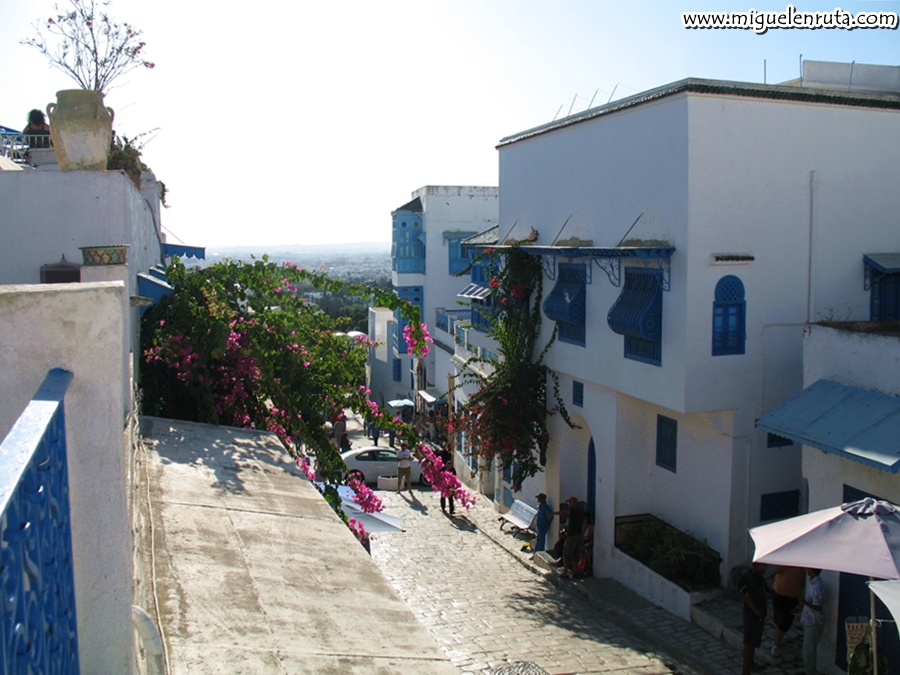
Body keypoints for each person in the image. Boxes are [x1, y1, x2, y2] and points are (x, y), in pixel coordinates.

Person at [770, 565, 806, 658]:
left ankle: (776, 644)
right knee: (778, 619)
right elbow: (778, 570)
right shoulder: (786, 556)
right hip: (779, 591)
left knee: (785, 621)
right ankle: (778, 637)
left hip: (793, 596)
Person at [740, 562, 768, 675]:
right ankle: (745, 671)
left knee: (753, 640)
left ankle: (751, 663)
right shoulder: (753, 579)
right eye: (763, 565)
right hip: (752, 615)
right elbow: (747, 596)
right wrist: (756, 611)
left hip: (755, 615)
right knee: (749, 642)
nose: (766, 567)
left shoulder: (754, 576)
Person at [798, 568, 826, 675]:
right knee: (807, 648)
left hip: (814, 622)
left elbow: (818, 607)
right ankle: (807, 670)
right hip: (808, 620)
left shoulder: (818, 587)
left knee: (809, 650)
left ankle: (809, 672)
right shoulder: (811, 582)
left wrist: (803, 601)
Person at [553, 497, 585, 578]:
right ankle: (574, 573)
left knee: (567, 554)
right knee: (576, 555)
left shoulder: (573, 511)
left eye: (570, 503)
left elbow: (564, 512)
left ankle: (565, 572)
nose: (568, 505)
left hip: (572, 536)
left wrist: (553, 513)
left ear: (574, 503)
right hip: (579, 535)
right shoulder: (580, 512)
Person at [437, 447, 456, 515]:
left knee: (450, 498)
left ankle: (451, 510)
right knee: (443, 496)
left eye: (449, 465)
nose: (448, 466)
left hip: (450, 486)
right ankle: (443, 507)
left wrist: (453, 485)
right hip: (444, 485)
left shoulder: (453, 470)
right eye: (447, 465)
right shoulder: (443, 470)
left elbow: (454, 478)